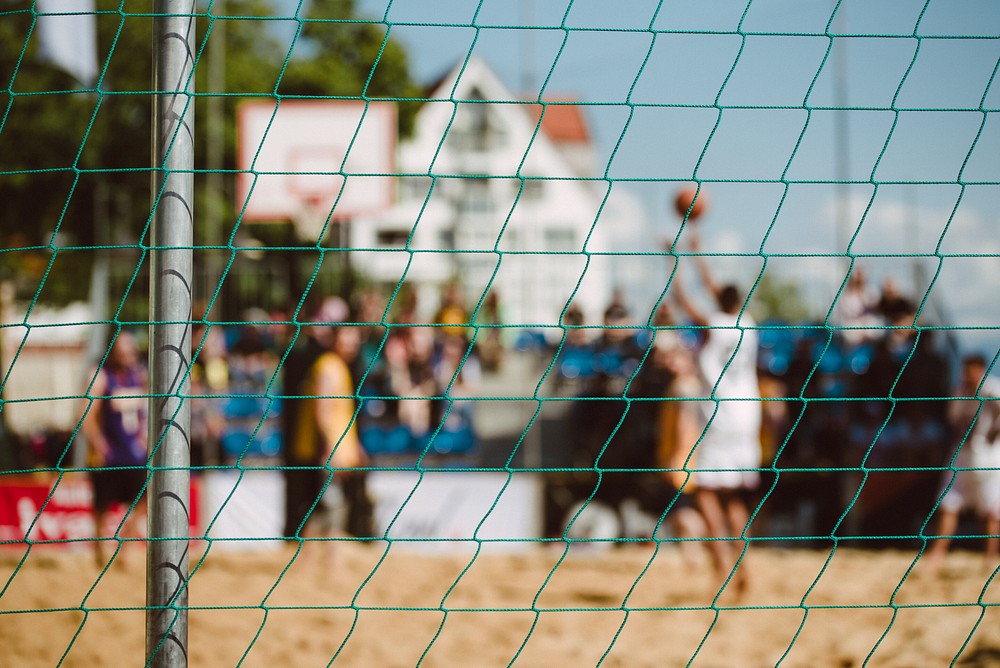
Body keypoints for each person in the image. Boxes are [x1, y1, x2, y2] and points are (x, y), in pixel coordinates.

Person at [671, 231, 762, 594]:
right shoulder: (748, 325)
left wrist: (673, 259)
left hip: (721, 414)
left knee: (707, 491)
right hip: (748, 416)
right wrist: (698, 254)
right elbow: (714, 289)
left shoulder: (713, 326)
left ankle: (722, 561)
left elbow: (683, 298)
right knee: (736, 496)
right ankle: (742, 562)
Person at [288, 323, 372, 559]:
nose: (353, 343)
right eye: (348, 338)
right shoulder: (328, 367)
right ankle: (315, 558)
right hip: (329, 451)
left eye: (356, 339)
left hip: (338, 450)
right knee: (328, 505)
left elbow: (339, 415)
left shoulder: (338, 367)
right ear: (335, 339)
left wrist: (355, 446)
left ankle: (320, 558)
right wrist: (330, 448)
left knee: (330, 505)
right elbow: (322, 410)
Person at [925, 354, 1000, 575]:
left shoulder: (993, 389)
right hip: (961, 457)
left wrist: (991, 436)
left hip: (989, 459)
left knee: (991, 511)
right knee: (948, 505)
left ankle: (990, 559)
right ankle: (937, 554)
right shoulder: (958, 391)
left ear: (981, 369)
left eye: (971, 370)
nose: (967, 374)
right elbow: (953, 421)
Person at [80, 331, 149, 568]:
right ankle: (99, 551)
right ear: (113, 351)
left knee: (144, 501)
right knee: (102, 507)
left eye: (132, 350)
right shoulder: (100, 375)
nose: (129, 354)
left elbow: (144, 412)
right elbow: (85, 416)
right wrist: (98, 443)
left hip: (135, 454)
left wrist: (145, 437)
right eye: (124, 350)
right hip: (109, 455)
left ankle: (124, 550)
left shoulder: (137, 375)